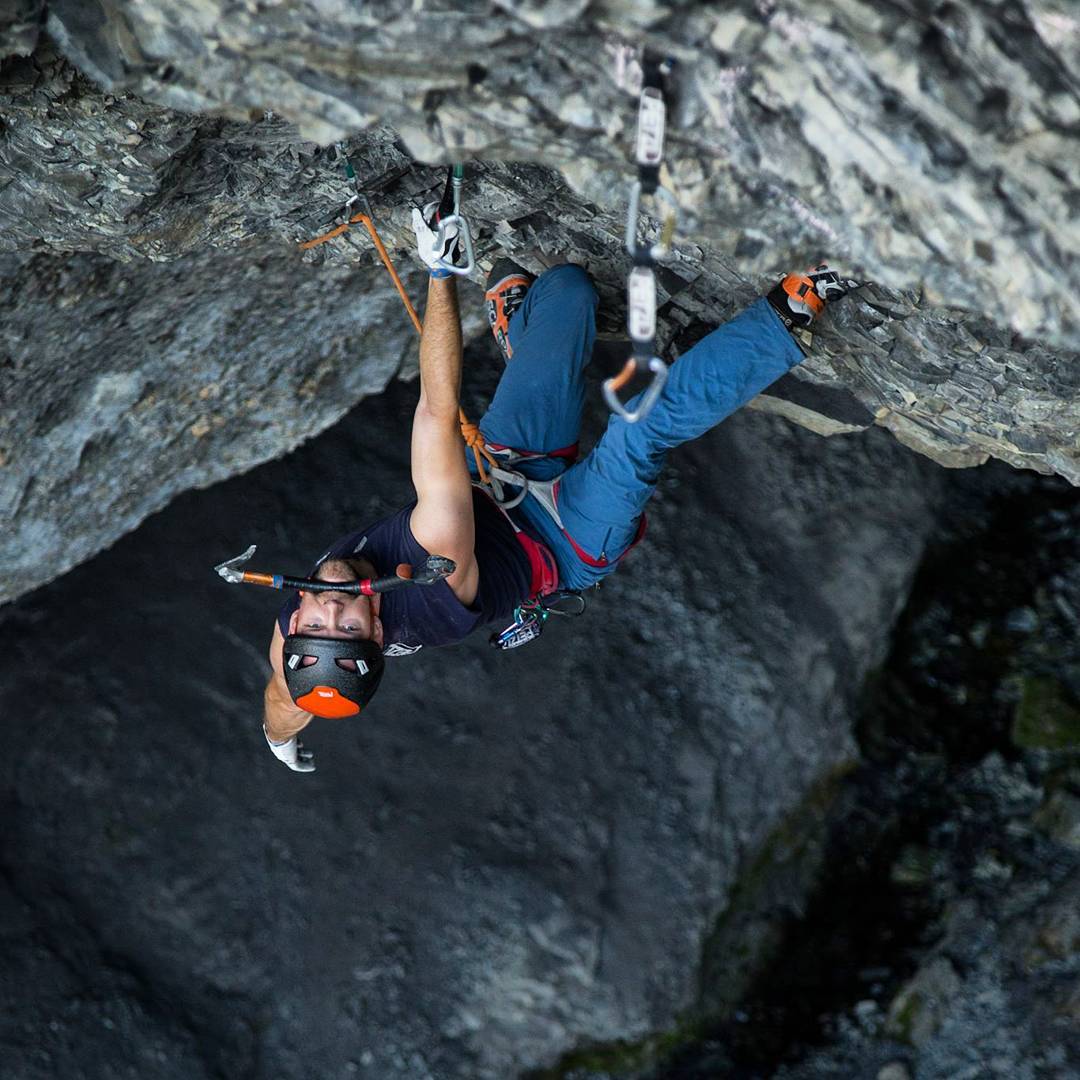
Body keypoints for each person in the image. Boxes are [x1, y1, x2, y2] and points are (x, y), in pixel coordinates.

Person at [261, 205, 858, 771]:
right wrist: (439, 271)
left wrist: (278, 739)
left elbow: (285, 701)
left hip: (504, 477)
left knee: (568, 291)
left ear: (294, 628)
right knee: (639, 429)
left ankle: (526, 337)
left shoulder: (305, 622)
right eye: (349, 628)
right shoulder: (430, 582)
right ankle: (795, 307)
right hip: (566, 542)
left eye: (315, 626)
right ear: (379, 630)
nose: (331, 611)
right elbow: (434, 415)